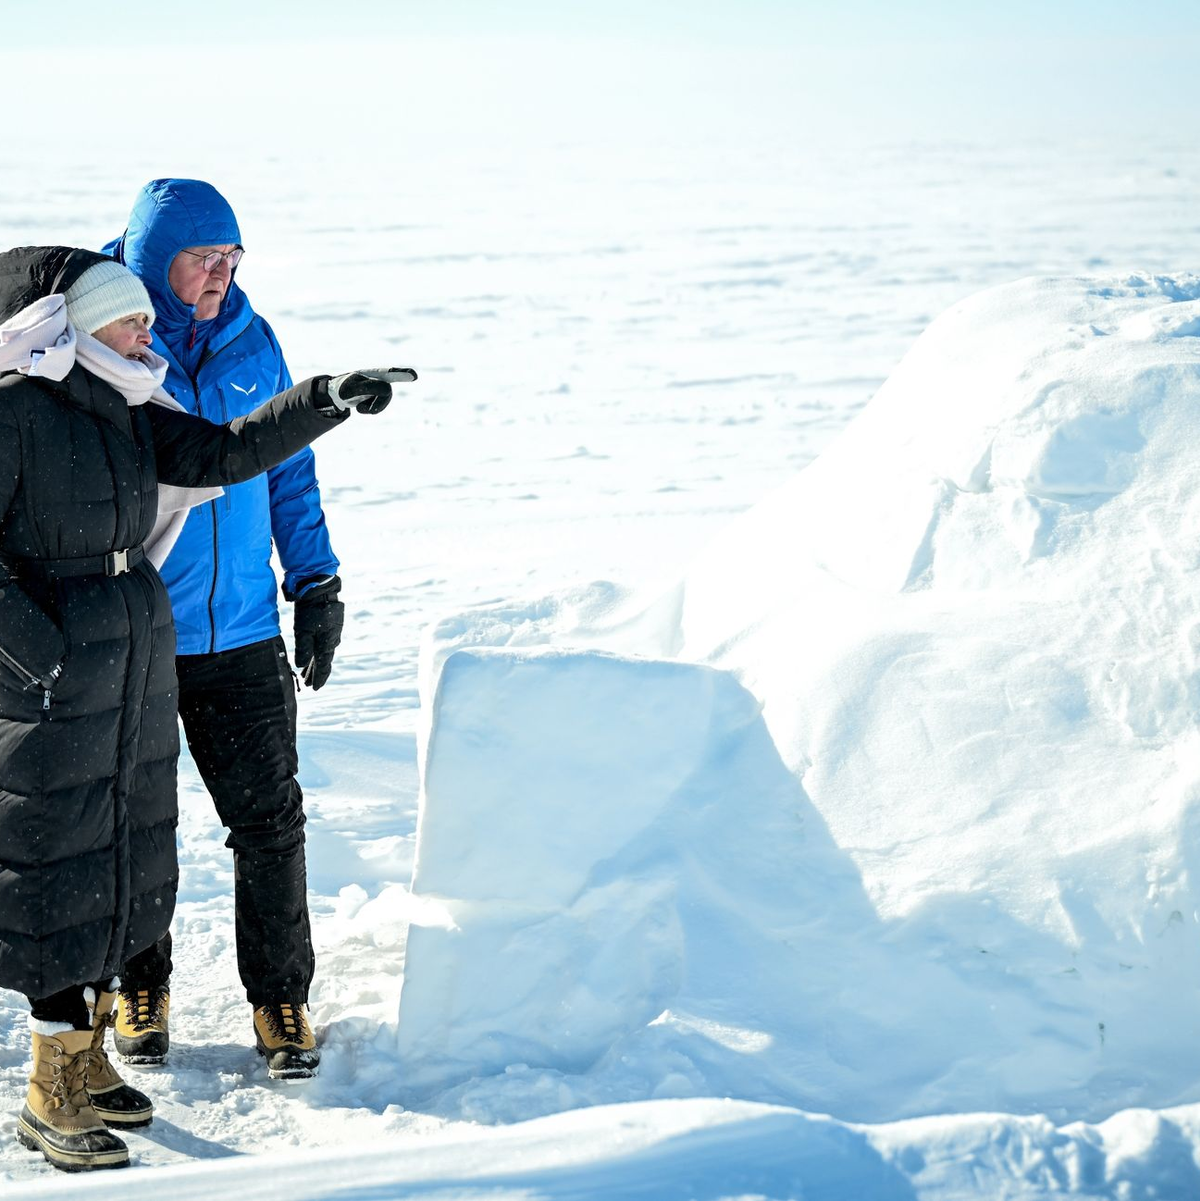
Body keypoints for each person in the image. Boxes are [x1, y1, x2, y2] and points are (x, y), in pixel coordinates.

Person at [0, 245, 402, 1171]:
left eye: (147, 318)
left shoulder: (133, 405)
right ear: (75, 326)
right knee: (58, 864)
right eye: (128, 318)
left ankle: (90, 1055)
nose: (147, 333)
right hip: (54, 676)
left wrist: (322, 399)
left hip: (128, 657)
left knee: (121, 851)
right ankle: (49, 1085)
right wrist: (39, 658)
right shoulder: (18, 411)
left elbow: (227, 452)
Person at [103, 180, 348, 1081]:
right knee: (136, 822)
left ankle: (280, 996)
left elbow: (290, 470)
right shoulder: (111, 340)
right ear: (151, 256)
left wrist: (315, 580)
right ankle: (142, 984)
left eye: (231, 256)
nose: (221, 273)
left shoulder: (253, 339)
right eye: (203, 257)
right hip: (140, 631)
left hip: (242, 630)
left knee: (270, 821)